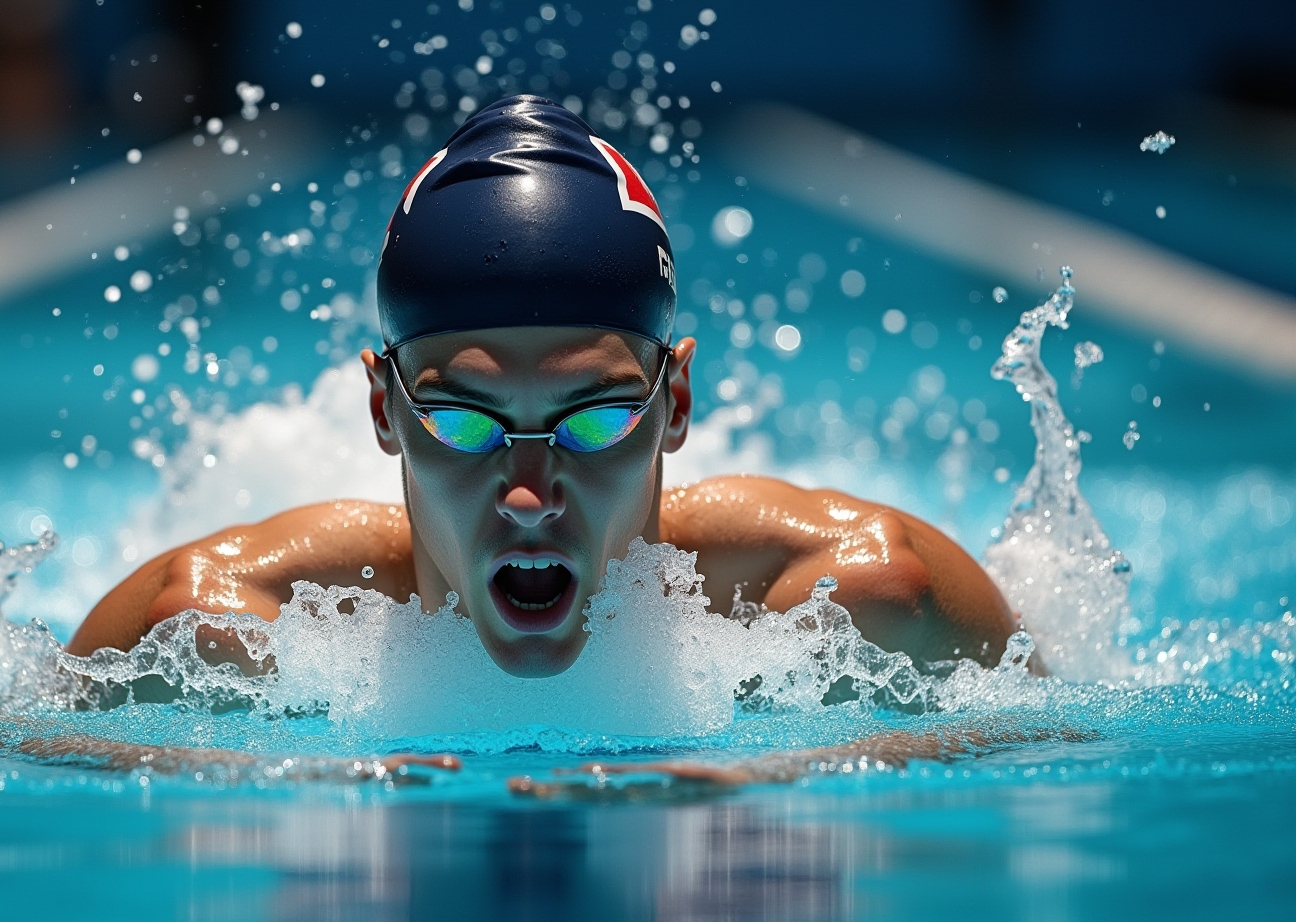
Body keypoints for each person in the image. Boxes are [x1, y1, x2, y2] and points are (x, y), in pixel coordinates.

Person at [67, 95, 1021, 688]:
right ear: (383, 412)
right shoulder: (205, 635)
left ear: (676, 405)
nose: (531, 494)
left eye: (597, 417)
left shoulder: (872, 607)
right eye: (461, 421)